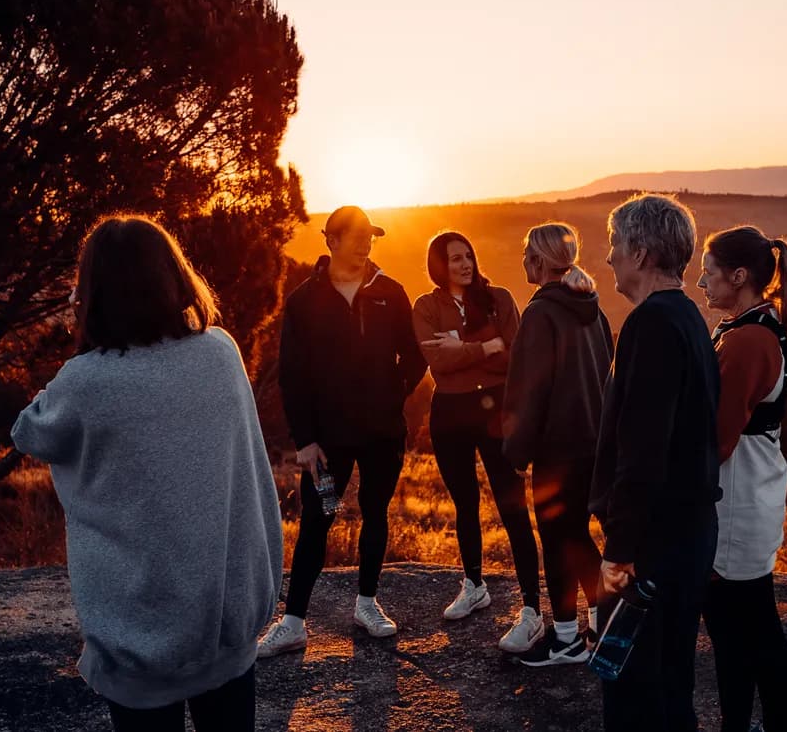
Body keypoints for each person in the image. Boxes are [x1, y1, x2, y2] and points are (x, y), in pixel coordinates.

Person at [11, 216, 283, 731]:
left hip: (137, 635)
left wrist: (81, 346)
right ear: (173, 277)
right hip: (227, 624)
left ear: (93, 292)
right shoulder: (221, 352)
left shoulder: (86, 381)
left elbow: (29, 432)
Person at [259, 205, 427, 656]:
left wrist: (394, 397)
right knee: (320, 518)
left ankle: (367, 604)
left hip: (381, 435)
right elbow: (292, 375)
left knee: (376, 512)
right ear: (330, 241)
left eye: (369, 235)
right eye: (354, 235)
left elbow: (415, 356)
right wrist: (306, 440)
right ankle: (293, 622)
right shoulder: (304, 300)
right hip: (328, 444)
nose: (364, 242)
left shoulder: (390, 293)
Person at [590, 194, 721, 731]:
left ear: (641, 253)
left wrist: (618, 552)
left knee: (634, 693)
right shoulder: (688, 316)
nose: (609, 259)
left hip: (653, 542)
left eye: (616, 246)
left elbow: (643, 451)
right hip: (687, 534)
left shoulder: (651, 324)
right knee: (671, 684)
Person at [697, 226, 787, 732]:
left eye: (709, 271)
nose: (701, 282)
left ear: (738, 276)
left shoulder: (746, 340)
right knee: (750, 628)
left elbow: (717, 439)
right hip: (750, 494)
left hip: (735, 503)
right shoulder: (754, 326)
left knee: (742, 632)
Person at [412, 232, 543, 651]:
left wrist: (465, 347)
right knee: (464, 503)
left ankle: (531, 608)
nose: (465, 264)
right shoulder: (425, 307)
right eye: (454, 259)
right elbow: (439, 362)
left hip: (496, 413)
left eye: (468, 256)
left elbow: (513, 354)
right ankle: (473, 584)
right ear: (439, 265)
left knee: (512, 505)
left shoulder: (500, 298)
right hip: (449, 413)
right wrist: (484, 345)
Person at [503, 222, 612, 666]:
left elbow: (529, 390)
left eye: (527, 252)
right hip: (594, 445)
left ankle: (568, 638)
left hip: (557, 451)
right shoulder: (594, 310)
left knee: (558, 540)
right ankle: (601, 625)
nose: (523, 258)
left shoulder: (540, 313)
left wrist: (515, 452)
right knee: (578, 538)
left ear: (539, 260)